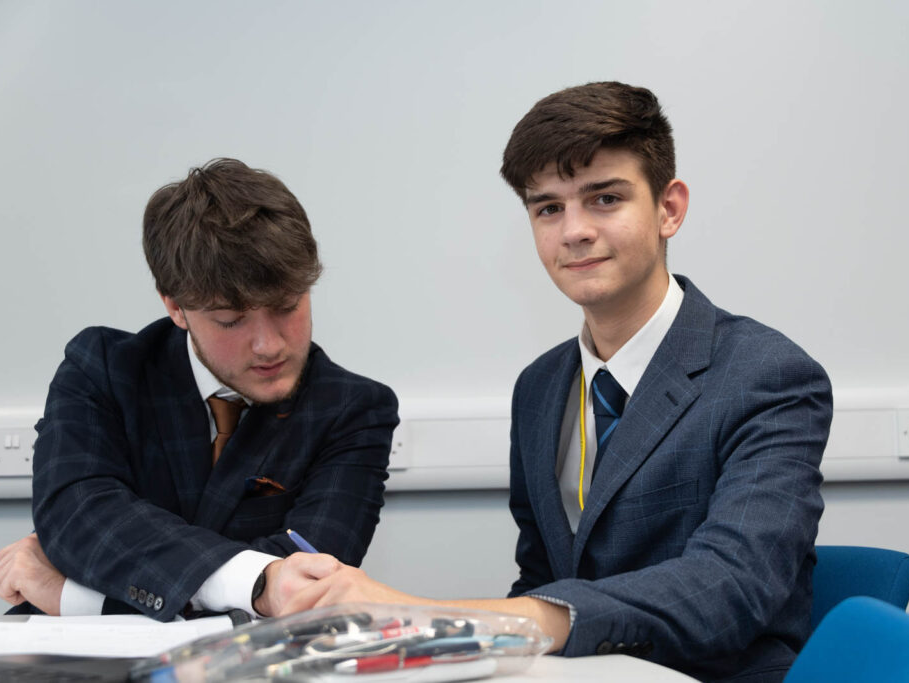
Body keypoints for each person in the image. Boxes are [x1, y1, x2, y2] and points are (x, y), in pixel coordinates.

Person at [276, 82, 833, 683]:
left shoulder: (768, 376)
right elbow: (541, 579)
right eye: (548, 208)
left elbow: (729, 586)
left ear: (669, 208)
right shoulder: (539, 388)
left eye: (604, 199)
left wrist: (440, 619)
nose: (573, 231)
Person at [0, 158, 399, 622]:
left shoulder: (354, 409)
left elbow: (307, 593)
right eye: (231, 319)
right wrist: (259, 581)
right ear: (175, 306)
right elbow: (80, 515)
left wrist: (70, 595)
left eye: (287, 306)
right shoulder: (104, 368)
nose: (269, 345)